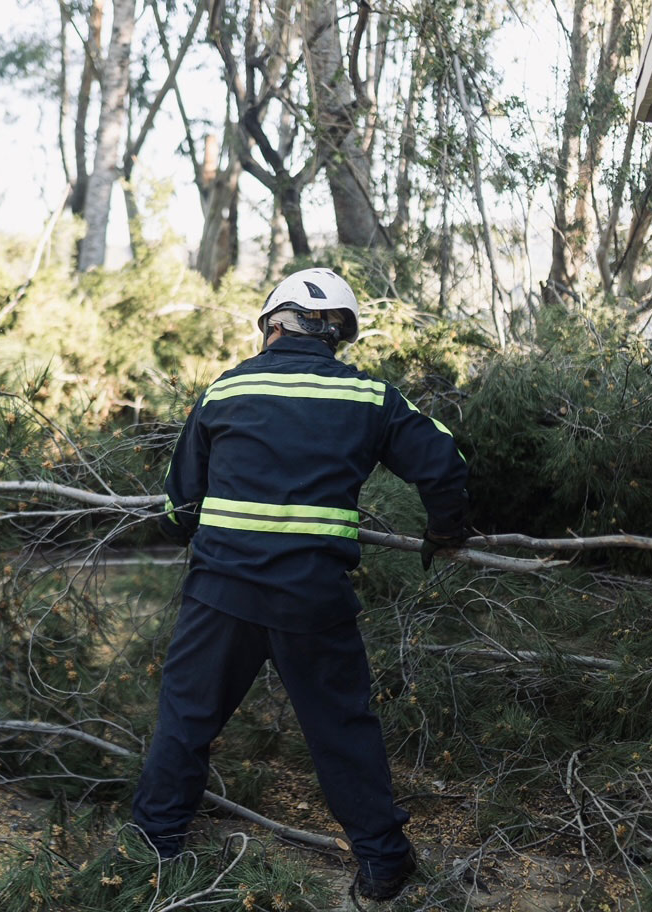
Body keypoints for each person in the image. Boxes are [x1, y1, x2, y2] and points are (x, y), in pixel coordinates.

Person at [131, 267, 472, 902]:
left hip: (219, 594)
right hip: (313, 597)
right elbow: (443, 463)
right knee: (342, 729)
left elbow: (180, 506)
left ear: (274, 324)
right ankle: (383, 865)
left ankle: (152, 851)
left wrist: (194, 532)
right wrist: (445, 533)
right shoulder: (370, 397)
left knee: (186, 720)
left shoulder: (224, 392)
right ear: (334, 335)